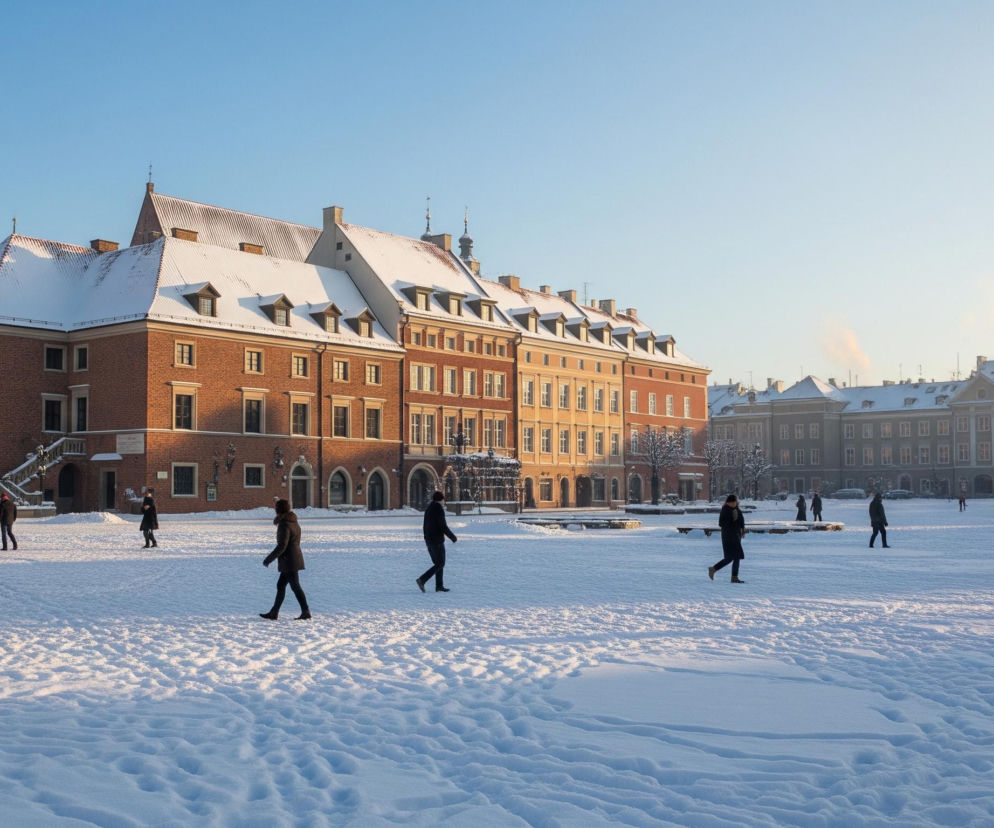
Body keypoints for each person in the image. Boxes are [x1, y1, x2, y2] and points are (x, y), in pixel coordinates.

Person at [260, 499, 311, 620]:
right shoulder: (293, 521)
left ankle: (305, 611)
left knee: (295, 586)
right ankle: (274, 612)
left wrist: (269, 559)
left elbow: (282, 545)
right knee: (281, 585)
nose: (274, 509)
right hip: (293, 558)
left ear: (279, 509)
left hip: (289, 560)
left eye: (276, 507)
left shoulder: (284, 524)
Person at [417, 491, 457, 593]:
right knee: (440, 563)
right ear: (441, 499)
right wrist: (452, 537)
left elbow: (424, 525)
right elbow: (443, 526)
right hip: (437, 540)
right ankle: (422, 579)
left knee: (438, 563)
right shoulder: (439, 509)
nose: (444, 502)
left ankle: (439, 586)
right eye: (444, 499)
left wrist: (426, 537)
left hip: (429, 540)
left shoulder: (429, 508)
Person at [708, 494, 746, 583]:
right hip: (728, 536)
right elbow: (721, 523)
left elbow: (741, 520)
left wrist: (743, 529)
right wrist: (732, 519)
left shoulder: (737, 510)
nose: (733, 504)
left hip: (736, 535)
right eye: (731, 503)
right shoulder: (725, 510)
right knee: (729, 557)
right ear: (728, 503)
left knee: (737, 556)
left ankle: (734, 577)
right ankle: (713, 569)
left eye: (735, 502)